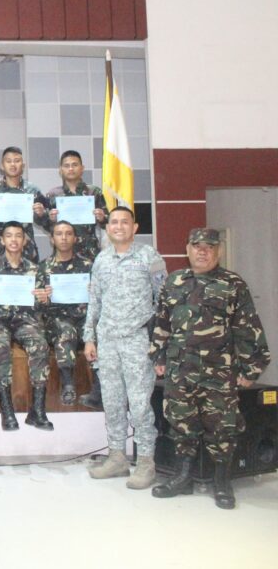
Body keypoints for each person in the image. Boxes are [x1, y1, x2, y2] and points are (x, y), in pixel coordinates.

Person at [150, 228, 271, 509]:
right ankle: (183, 477)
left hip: (220, 371)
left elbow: (248, 329)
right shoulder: (174, 281)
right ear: (188, 249)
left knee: (223, 427)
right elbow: (162, 323)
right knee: (180, 423)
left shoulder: (233, 284)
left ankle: (221, 481)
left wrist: (251, 369)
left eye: (209, 247)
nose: (203, 251)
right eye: (197, 246)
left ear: (218, 251)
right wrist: (158, 357)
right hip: (180, 370)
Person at [83, 206, 167, 490]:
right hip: (107, 342)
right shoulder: (101, 260)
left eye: (124, 222)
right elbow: (94, 301)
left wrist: (159, 344)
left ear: (135, 227)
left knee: (141, 405)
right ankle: (117, 456)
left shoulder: (150, 257)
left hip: (137, 341)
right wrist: (89, 338)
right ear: (107, 228)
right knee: (113, 402)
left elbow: (163, 300)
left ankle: (146, 461)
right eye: (113, 222)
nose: (118, 226)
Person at [0, 222, 53, 431]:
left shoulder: (34, 269)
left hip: (24, 321)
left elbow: (42, 304)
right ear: (2, 240)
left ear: (24, 240)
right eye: (9, 236)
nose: (13, 240)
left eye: (18, 236)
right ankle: (7, 410)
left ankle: (37, 411)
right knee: (0, 346)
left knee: (40, 344)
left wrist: (44, 298)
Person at [36, 221, 93, 405]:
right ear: (52, 239)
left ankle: (100, 387)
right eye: (59, 234)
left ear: (75, 238)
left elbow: (100, 300)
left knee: (99, 333)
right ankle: (68, 383)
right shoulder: (42, 268)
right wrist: (43, 299)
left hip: (85, 318)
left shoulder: (88, 266)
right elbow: (35, 305)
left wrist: (94, 292)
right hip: (57, 319)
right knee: (66, 332)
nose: (64, 238)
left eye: (68, 234)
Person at [39, 151, 108, 262]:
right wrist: (50, 219)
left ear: (82, 168)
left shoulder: (94, 192)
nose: (71, 169)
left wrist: (102, 217)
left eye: (75, 165)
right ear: (61, 170)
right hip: (63, 253)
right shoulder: (53, 194)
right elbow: (47, 226)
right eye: (66, 166)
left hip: (89, 253)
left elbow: (108, 221)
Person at [0, 147, 48, 263]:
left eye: (17, 160)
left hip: (26, 250)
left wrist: (41, 214)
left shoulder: (32, 190)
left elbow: (46, 221)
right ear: (2, 166)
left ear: (23, 166)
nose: (13, 164)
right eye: (8, 161)